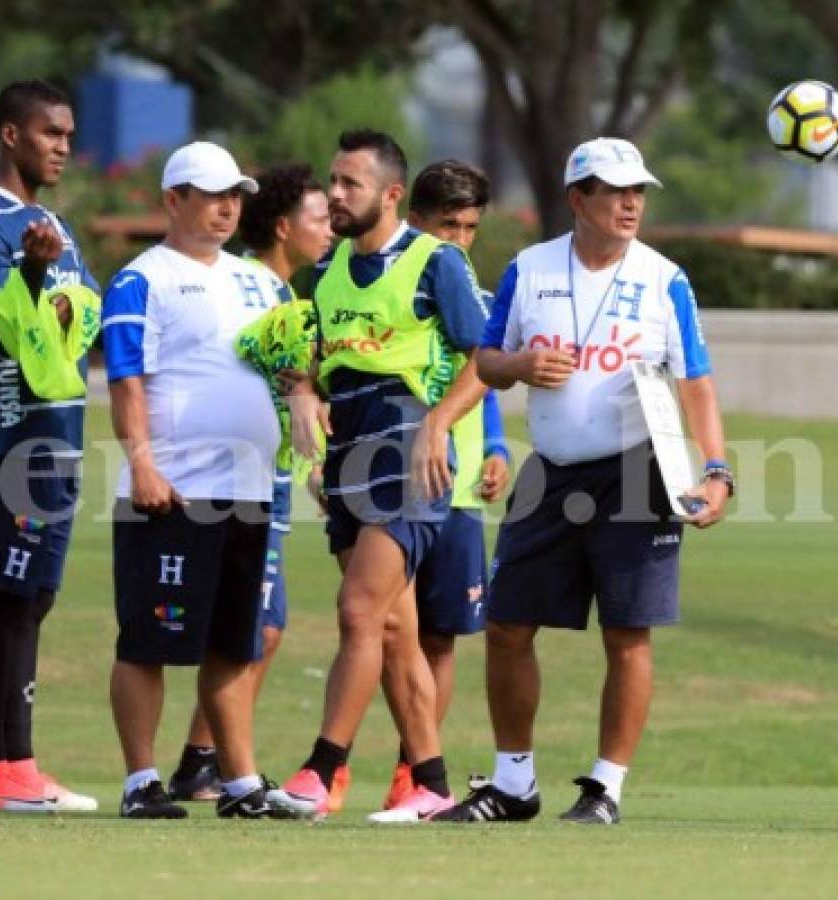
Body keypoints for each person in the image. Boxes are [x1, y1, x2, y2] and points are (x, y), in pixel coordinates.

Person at [437, 138, 733, 825]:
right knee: (507, 625)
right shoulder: (527, 267)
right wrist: (519, 367)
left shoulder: (665, 278)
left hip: (638, 471)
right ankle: (512, 786)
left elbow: (695, 381)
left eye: (638, 191)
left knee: (627, 632)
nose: (631, 203)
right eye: (614, 190)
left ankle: (604, 788)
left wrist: (715, 470)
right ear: (578, 198)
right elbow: (485, 358)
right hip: (550, 471)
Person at [281, 129, 491, 823]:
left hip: (407, 448)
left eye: (349, 184)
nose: (334, 195)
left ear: (391, 194)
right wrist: (303, 395)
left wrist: (436, 424)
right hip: (349, 450)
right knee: (394, 632)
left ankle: (321, 770)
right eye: (331, 182)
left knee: (357, 610)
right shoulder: (326, 267)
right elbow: (305, 357)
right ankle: (429, 783)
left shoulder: (437, 264)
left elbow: (483, 360)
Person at [102, 142, 313, 820]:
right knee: (149, 643)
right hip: (173, 490)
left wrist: (305, 395)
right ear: (172, 199)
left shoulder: (262, 281)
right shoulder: (143, 279)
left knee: (232, 644)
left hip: (250, 486)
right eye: (211, 194)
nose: (227, 206)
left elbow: (291, 364)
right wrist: (141, 460)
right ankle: (140, 783)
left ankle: (240, 783)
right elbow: (125, 378)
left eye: (235, 195)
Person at [0, 80, 98, 814]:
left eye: (69, 134)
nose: (63, 146)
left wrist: (58, 282)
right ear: (11, 135)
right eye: (50, 133)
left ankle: (21, 765)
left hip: (58, 438)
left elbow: (85, 319)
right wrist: (36, 272)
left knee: (35, 597)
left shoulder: (53, 223)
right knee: (4, 597)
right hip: (8, 443)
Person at [166, 164, 332, 802]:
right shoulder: (253, 288)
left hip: (268, 477)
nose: (330, 232)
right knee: (252, 627)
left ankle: (202, 758)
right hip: (236, 481)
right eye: (319, 220)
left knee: (263, 626)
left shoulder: (282, 293)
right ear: (285, 228)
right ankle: (215, 762)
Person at [376, 160, 511, 809]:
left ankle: (413, 773)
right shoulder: (399, 286)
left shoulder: (477, 299)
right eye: (446, 226)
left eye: (468, 228)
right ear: (416, 223)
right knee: (385, 629)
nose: (458, 241)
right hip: (398, 486)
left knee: (439, 635)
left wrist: (495, 447)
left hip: (455, 495)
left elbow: (480, 374)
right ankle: (343, 765)